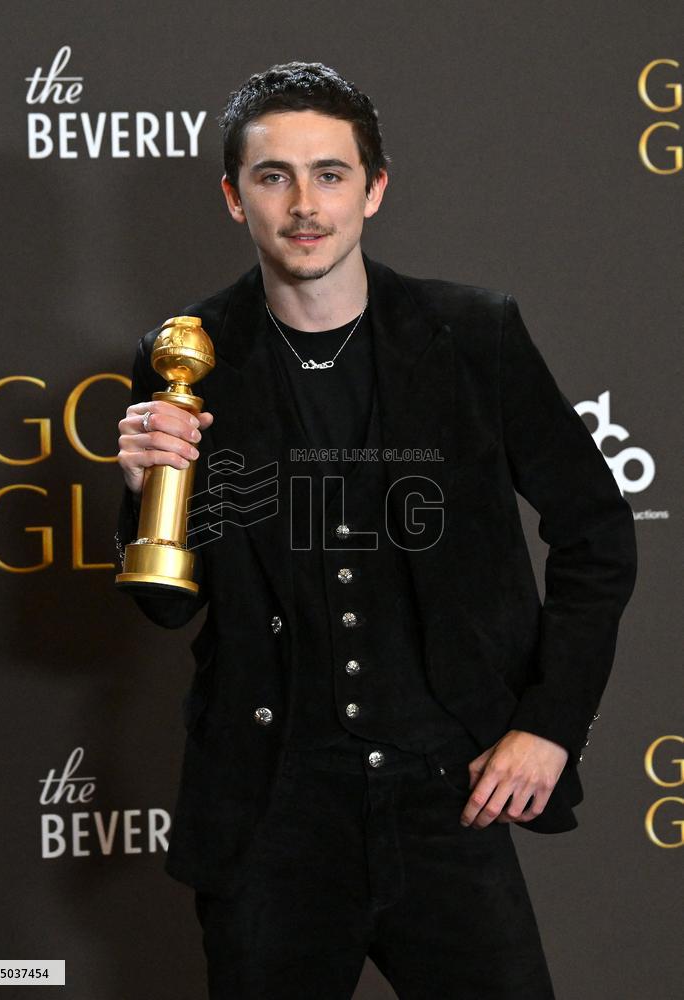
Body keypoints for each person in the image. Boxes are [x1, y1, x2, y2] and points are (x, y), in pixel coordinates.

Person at [115, 62, 637, 999]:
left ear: (375, 189)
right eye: (274, 176)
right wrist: (144, 493)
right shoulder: (189, 357)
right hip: (270, 813)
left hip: (449, 794)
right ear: (235, 198)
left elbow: (599, 531)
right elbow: (161, 612)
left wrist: (550, 725)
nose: (304, 204)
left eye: (331, 173)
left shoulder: (474, 336)